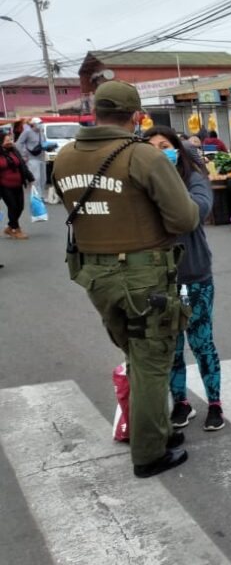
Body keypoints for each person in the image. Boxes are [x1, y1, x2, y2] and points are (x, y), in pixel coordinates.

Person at [54, 81, 199, 479]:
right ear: (136, 116)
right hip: (144, 275)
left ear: (95, 111)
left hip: (94, 273)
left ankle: (157, 428)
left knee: (136, 354)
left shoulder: (64, 157)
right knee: (152, 359)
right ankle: (150, 452)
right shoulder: (141, 156)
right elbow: (184, 218)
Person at [144, 126, 225, 431]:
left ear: (176, 149)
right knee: (171, 345)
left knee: (202, 342)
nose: (158, 152)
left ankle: (214, 403)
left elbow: (198, 209)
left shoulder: (192, 177)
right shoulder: (140, 184)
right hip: (159, 277)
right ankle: (181, 402)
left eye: (163, 145)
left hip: (194, 272)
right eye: (151, 148)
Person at [1, 131, 30, 239]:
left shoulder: (13, 151)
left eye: (10, 140)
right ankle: (15, 229)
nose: (10, 142)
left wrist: (30, 177)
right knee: (12, 207)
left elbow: (22, 164)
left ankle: (9, 227)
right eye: (7, 140)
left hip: (18, 184)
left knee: (20, 207)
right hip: (4, 186)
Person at [16, 117, 46, 203]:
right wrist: (23, 155)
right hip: (32, 159)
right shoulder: (27, 132)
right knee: (36, 178)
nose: (41, 125)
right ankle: (36, 197)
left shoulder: (41, 133)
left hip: (42, 158)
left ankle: (41, 195)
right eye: (39, 123)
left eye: (41, 123)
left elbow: (44, 143)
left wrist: (48, 147)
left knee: (43, 179)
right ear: (34, 124)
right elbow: (19, 143)